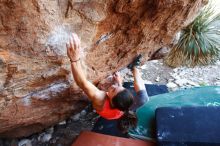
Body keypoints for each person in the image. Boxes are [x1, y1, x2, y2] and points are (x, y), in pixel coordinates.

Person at [66, 33, 149, 135]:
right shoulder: (125, 105)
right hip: (119, 109)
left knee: (108, 90)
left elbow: (82, 82)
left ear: (110, 100)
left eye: (113, 89)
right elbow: (119, 92)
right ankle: (134, 67)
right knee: (144, 98)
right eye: (119, 87)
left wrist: (74, 59)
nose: (113, 86)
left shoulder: (99, 98)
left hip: (108, 111)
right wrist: (119, 83)